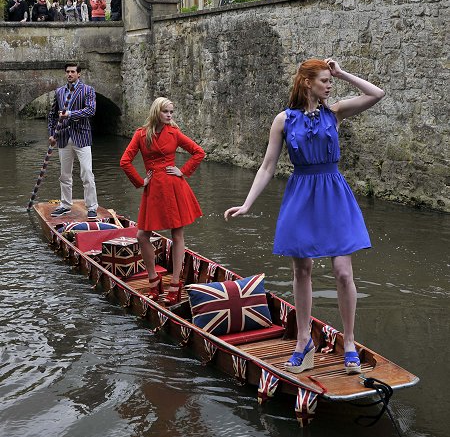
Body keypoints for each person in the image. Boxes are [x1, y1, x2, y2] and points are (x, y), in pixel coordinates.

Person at [224, 58, 385, 374]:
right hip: (301, 193)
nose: (329, 84)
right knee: (302, 270)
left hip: (334, 192)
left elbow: (376, 93)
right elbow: (268, 166)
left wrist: (342, 73)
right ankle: (303, 341)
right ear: (307, 82)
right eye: (325, 80)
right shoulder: (283, 121)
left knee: (342, 271)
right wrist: (247, 203)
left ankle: (349, 342)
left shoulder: (335, 113)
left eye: (331, 80)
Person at [120, 97, 205, 303]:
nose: (169, 115)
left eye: (172, 112)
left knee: (177, 234)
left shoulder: (174, 133)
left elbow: (198, 152)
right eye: (166, 112)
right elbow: (125, 161)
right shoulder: (141, 134)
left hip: (174, 186)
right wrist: (141, 182)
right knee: (142, 235)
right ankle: (153, 279)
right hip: (154, 189)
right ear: (156, 112)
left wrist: (182, 171)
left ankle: (175, 283)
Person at [49, 62, 99, 221]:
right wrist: (52, 134)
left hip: (82, 137)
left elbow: (90, 110)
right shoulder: (59, 92)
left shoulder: (88, 90)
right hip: (63, 137)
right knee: (64, 174)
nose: (70, 74)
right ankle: (65, 205)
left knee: (87, 173)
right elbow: (52, 116)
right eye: (67, 72)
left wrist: (70, 113)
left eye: (72, 72)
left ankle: (91, 207)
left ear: (79, 74)